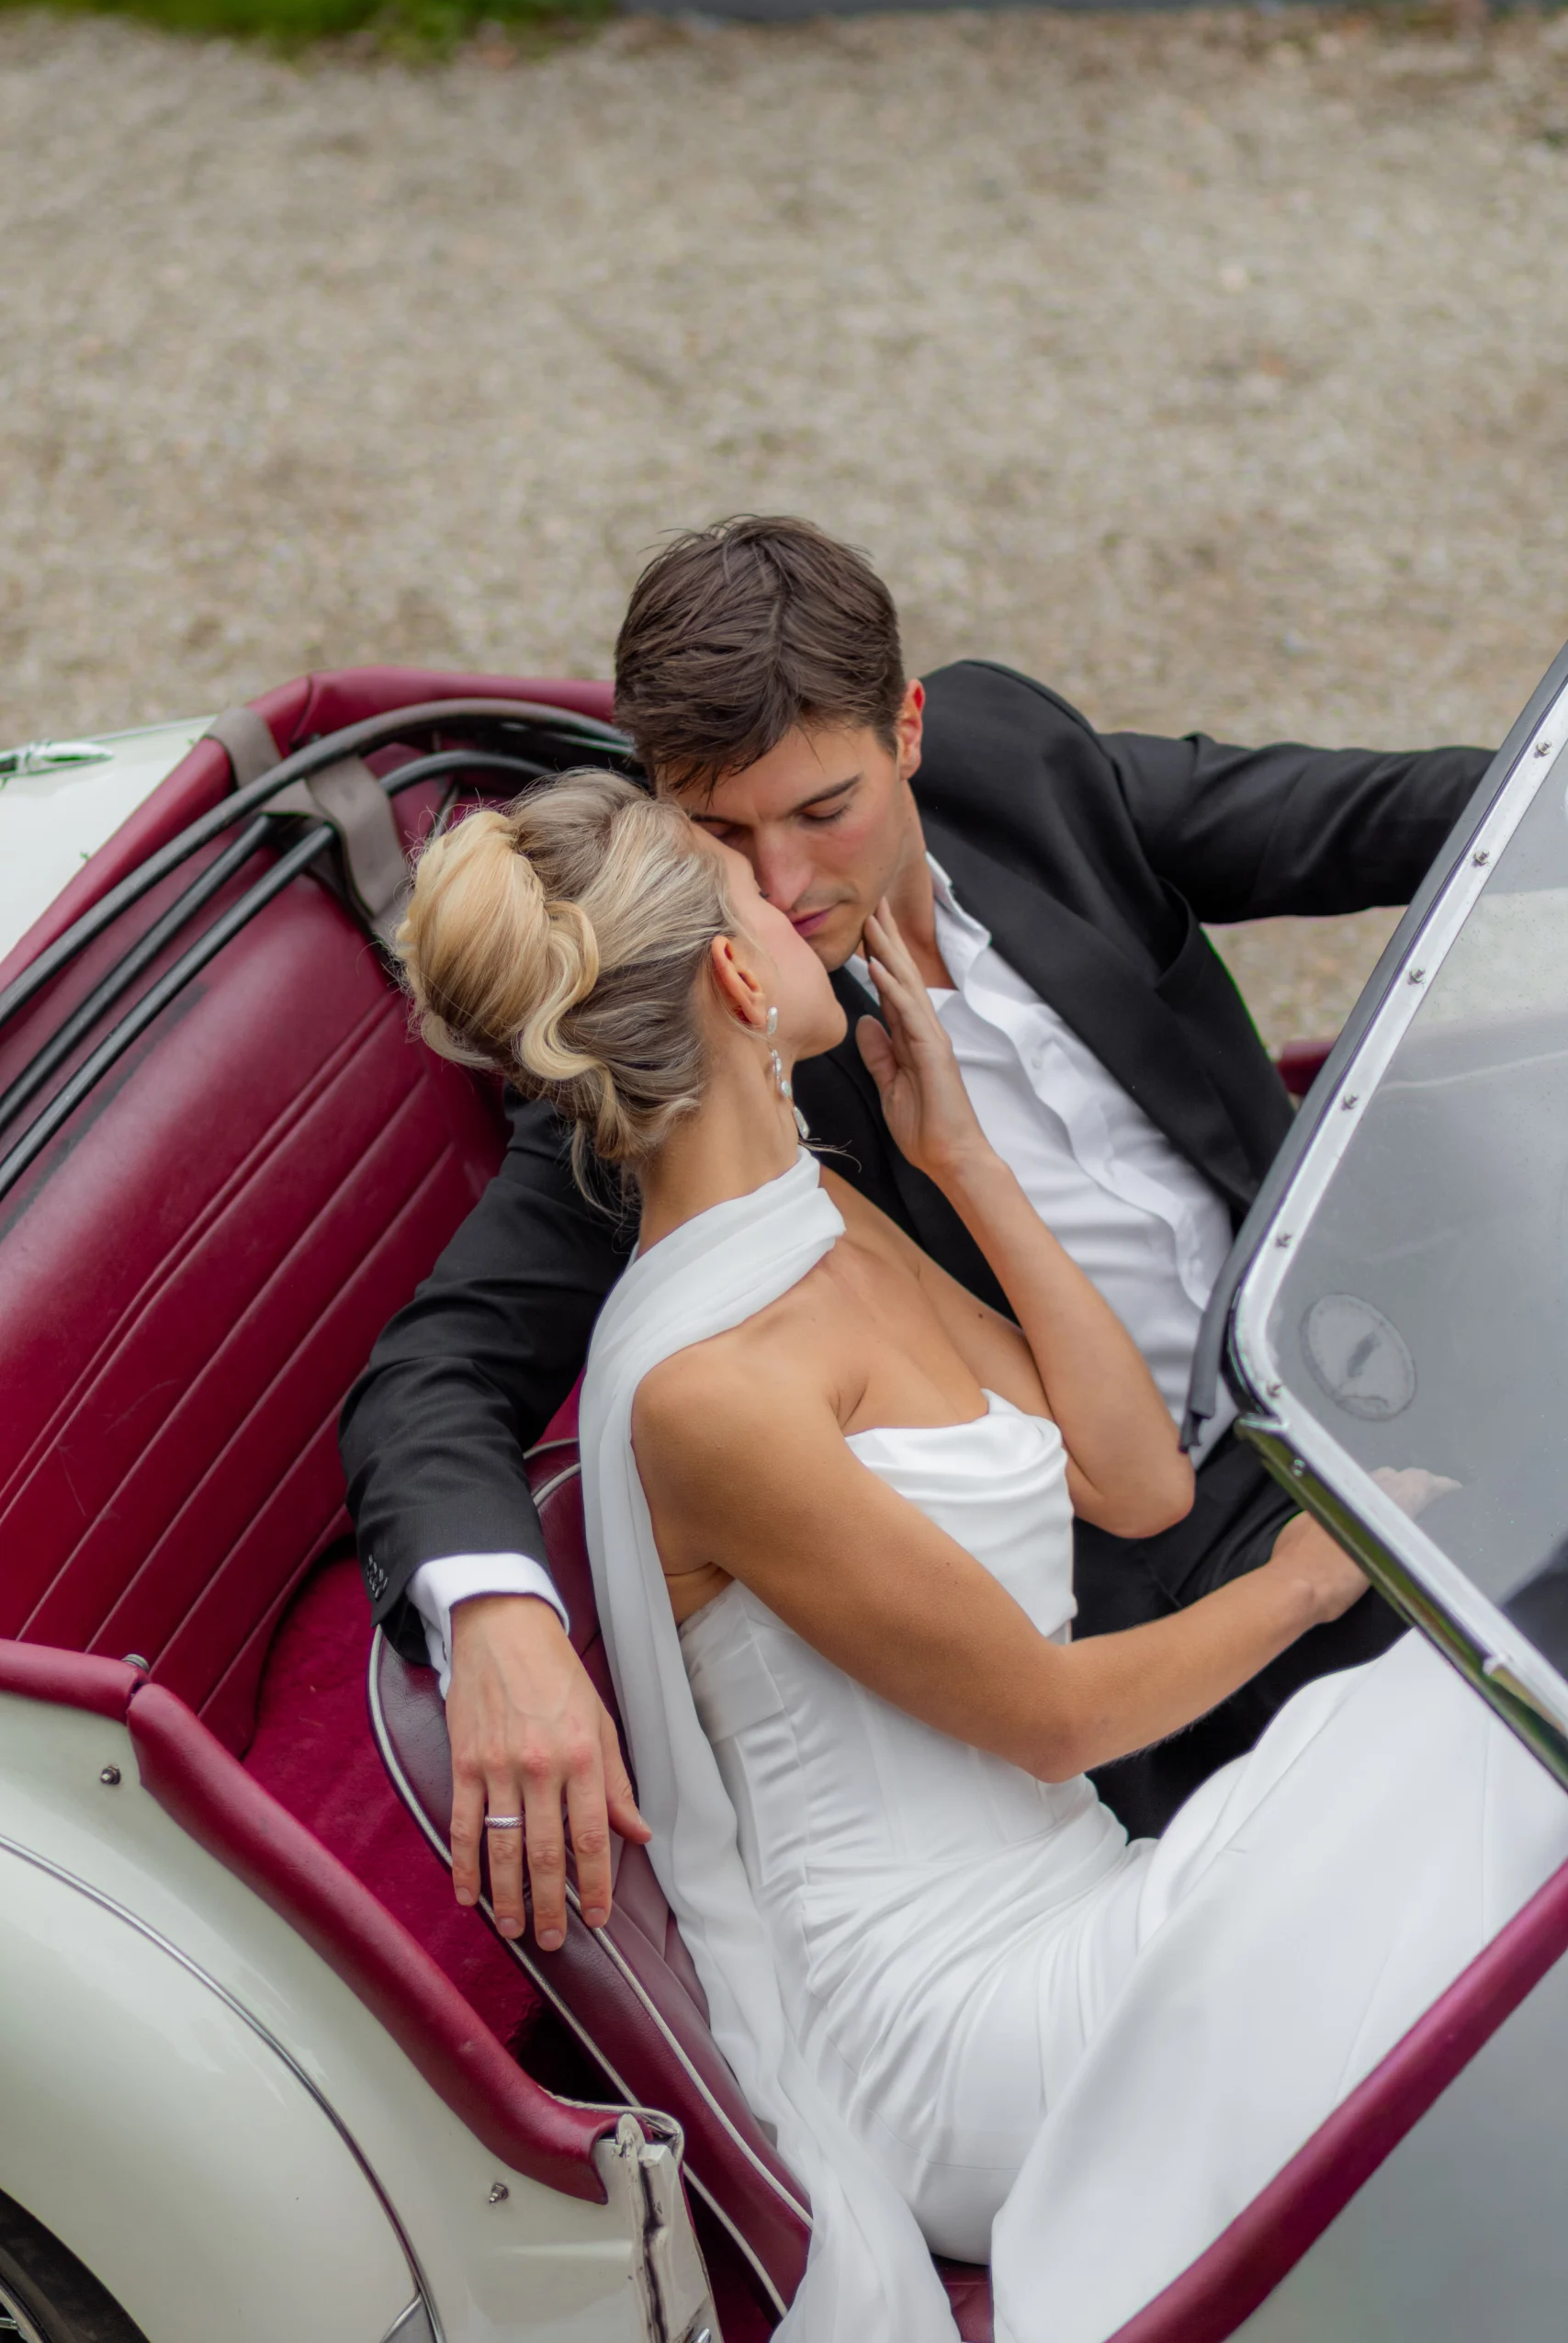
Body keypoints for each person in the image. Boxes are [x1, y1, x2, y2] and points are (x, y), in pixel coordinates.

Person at [390, 771, 1568, 2343]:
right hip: (949, 2026)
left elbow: (1132, 1481)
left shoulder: (821, 1209)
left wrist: (963, 1160)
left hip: (1093, 1886)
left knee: (1480, 1723)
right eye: (749, 897)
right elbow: (1052, 1720)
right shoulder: (706, 1391)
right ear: (739, 977)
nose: (791, 901)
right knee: (1461, 1730)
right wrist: (1306, 1578)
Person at [340, 515, 1495, 1951]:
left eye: (822, 810)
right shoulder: (685, 1049)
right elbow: (434, 1374)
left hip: (1351, 1362)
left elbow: (1340, 818)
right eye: (720, 834)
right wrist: (496, 1618)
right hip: (1149, 1608)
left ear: (907, 731)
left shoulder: (1012, 764)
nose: (779, 885)